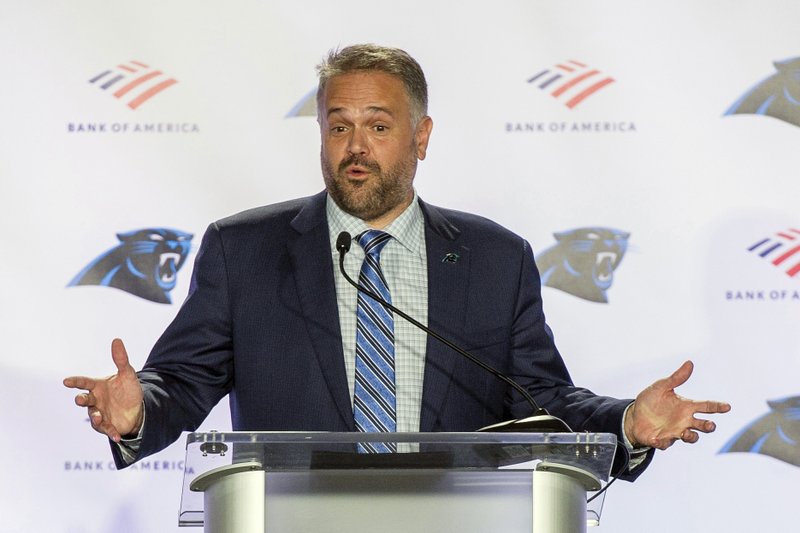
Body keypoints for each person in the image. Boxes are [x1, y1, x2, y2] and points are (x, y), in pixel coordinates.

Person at [64, 44, 730, 479]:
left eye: (378, 126)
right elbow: (181, 380)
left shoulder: (496, 261)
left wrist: (626, 425)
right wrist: (137, 411)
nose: (356, 146)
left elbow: (546, 404)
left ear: (421, 136)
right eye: (338, 125)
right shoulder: (246, 252)